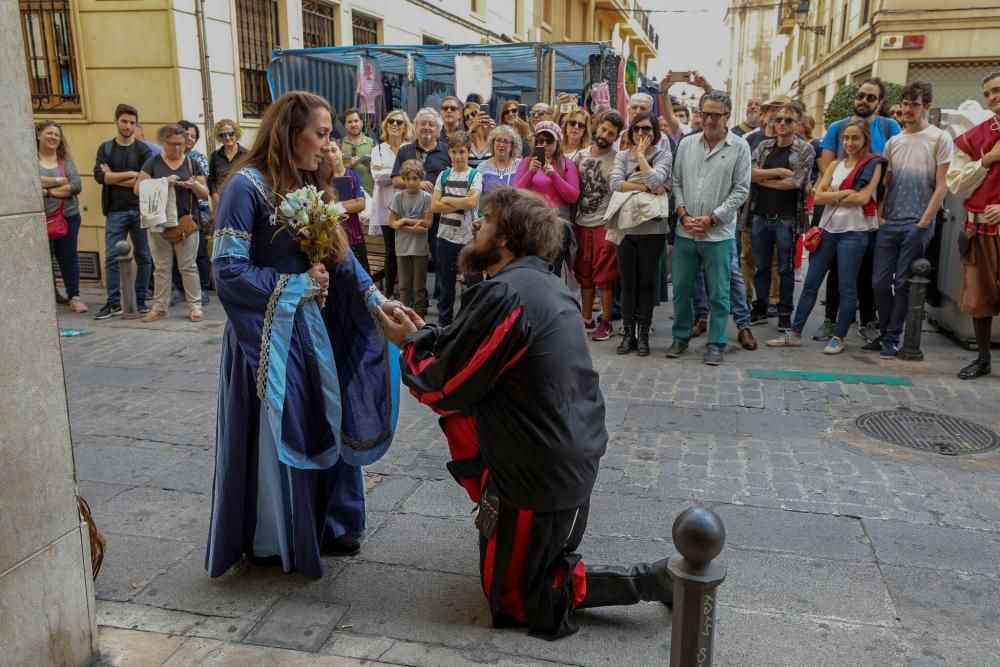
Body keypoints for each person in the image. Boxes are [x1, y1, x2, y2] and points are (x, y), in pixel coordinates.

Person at [379, 187, 673, 640]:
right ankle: (543, 553)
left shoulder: (507, 293)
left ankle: (651, 578)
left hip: (540, 478)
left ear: (507, 238)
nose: (477, 224)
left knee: (515, 602)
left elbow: (446, 388)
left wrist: (405, 346)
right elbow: (468, 344)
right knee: (514, 578)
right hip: (565, 461)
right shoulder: (544, 285)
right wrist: (426, 336)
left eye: (488, 219)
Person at [206, 91, 399, 578]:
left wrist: (377, 301)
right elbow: (227, 271)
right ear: (292, 134)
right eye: (322, 133)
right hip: (268, 339)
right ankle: (274, 536)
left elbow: (340, 253)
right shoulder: (244, 188)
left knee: (325, 421)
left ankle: (331, 522)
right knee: (283, 429)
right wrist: (294, 284)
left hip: (316, 335)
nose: (329, 144)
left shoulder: (312, 182)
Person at [767, 120, 884, 354]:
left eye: (855, 138)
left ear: (865, 140)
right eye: (846, 138)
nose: (850, 143)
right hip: (828, 231)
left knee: (847, 288)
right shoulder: (835, 165)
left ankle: (838, 337)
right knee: (811, 284)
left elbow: (862, 199)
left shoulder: (873, 164)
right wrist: (846, 193)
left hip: (855, 232)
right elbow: (817, 197)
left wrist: (834, 194)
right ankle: (795, 332)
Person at [867, 82, 952, 358]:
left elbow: (942, 186)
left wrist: (924, 223)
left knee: (903, 282)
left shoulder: (940, 138)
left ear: (926, 106)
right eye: (904, 103)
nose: (907, 109)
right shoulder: (894, 141)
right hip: (890, 221)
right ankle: (887, 332)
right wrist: (880, 214)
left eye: (914, 104)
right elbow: (886, 182)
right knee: (879, 282)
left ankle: (891, 337)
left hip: (917, 221)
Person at [667, 90, 751, 366]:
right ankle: (680, 337)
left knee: (719, 292)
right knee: (680, 289)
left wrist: (713, 218)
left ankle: (716, 343)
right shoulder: (687, 144)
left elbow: (741, 190)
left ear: (727, 116)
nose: (710, 120)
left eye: (717, 114)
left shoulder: (740, 147)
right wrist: (683, 214)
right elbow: (676, 182)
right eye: (705, 113)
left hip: (719, 234)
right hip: (686, 231)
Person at [814, 78, 901, 342]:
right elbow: (826, 167)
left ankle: (867, 320)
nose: (864, 101)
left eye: (871, 97)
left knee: (867, 266)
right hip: (836, 208)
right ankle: (830, 320)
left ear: (880, 102)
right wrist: (843, 194)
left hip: (871, 208)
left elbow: (892, 169)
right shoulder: (839, 127)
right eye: (861, 95)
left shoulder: (889, 126)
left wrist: (877, 202)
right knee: (832, 266)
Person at [945, 70, 1000, 379]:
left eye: (997, 90)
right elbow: (956, 183)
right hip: (977, 229)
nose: (992, 96)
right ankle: (982, 359)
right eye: (988, 93)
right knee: (979, 297)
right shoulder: (974, 137)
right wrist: (987, 160)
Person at [744, 103, 815, 331]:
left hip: (787, 218)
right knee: (761, 266)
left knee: (784, 269)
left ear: (797, 124)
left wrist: (763, 178)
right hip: (760, 215)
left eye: (788, 120)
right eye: (779, 120)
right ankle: (761, 307)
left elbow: (795, 183)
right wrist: (777, 172)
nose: (782, 124)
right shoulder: (764, 146)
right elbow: (749, 174)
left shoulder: (804, 150)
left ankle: (785, 313)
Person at [608, 112, 672, 356]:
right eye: (637, 129)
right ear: (631, 132)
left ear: (655, 132)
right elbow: (615, 183)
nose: (642, 134)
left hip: (653, 228)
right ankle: (627, 333)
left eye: (647, 129)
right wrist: (647, 187)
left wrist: (643, 157)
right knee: (627, 284)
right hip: (626, 226)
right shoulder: (622, 155)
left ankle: (643, 334)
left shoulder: (663, 154)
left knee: (646, 284)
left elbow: (658, 177)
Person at [134, 124, 207, 322]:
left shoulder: (192, 163)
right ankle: (159, 307)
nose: (177, 149)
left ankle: (195, 306)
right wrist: (164, 182)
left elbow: (205, 193)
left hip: (186, 223)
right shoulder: (153, 163)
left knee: (188, 266)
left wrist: (194, 185)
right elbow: (138, 188)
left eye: (181, 145)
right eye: (172, 144)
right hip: (158, 222)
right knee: (162, 267)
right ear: (163, 143)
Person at [93, 103, 153, 319]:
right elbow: (101, 177)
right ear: (116, 121)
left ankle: (140, 299)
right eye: (124, 121)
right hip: (115, 211)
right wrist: (130, 174)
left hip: (140, 210)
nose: (128, 126)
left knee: (144, 256)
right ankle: (113, 302)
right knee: (111, 257)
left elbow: (145, 180)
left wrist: (114, 177)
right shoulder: (106, 149)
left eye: (132, 123)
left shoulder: (143, 150)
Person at [574, 111, 623, 341]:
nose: (605, 135)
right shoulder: (580, 156)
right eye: (603, 129)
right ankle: (586, 318)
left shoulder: (618, 158)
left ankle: (606, 320)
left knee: (605, 274)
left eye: (611, 133)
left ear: (616, 136)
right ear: (597, 126)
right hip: (581, 222)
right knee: (583, 272)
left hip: (604, 224)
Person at [513, 120, 580, 278]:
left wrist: (554, 176)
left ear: (558, 142)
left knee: (552, 270)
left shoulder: (566, 164)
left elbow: (573, 196)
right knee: (530, 269)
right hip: (532, 222)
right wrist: (530, 172)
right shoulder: (527, 162)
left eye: (549, 141)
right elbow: (515, 192)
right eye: (540, 140)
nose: (544, 145)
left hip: (557, 223)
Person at [432, 130, 483, 326]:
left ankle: (471, 323)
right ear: (449, 153)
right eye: (454, 151)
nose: (458, 156)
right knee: (446, 286)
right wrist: (459, 202)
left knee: (473, 284)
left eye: (462, 151)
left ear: (468, 152)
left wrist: (446, 198)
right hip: (444, 238)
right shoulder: (443, 175)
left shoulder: (474, 175)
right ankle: (444, 325)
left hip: (468, 239)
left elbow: (471, 203)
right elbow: (434, 206)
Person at [38, 120, 87, 313]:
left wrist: (47, 191)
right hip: (40, 218)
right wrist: (59, 181)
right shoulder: (30, 159)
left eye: (57, 135)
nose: (53, 137)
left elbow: (76, 186)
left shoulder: (65, 160)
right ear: (39, 135)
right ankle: (50, 295)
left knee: (68, 257)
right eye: (49, 133)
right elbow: (31, 180)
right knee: (43, 260)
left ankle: (74, 296)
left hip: (67, 216)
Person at [371, 109, 414, 299]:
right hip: (385, 207)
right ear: (386, 126)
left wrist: (388, 171)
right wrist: (398, 174)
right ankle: (388, 292)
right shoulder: (377, 149)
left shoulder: (410, 149)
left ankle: (409, 291)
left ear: (405, 127)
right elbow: (378, 178)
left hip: (409, 207)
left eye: (399, 122)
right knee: (390, 252)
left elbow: (415, 175)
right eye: (391, 121)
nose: (395, 125)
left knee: (408, 252)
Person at [389, 159, 434, 316]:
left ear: (421, 178)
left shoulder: (427, 197)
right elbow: (392, 223)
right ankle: (405, 315)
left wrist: (405, 220)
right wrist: (414, 227)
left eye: (415, 178)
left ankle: (420, 316)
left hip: (420, 249)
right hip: (402, 248)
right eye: (408, 179)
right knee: (404, 285)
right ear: (404, 179)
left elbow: (428, 223)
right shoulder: (398, 197)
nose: (412, 182)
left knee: (420, 285)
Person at [176, 120, 212, 305]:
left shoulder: (197, 159)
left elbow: (203, 186)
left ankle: (203, 288)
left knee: (199, 252)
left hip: (199, 210)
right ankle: (181, 290)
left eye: (192, 135)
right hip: (176, 211)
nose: (188, 138)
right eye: (185, 134)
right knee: (177, 254)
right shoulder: (168, 158)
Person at [329, 141, 369, 273]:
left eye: (334, 150)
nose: (331, 154)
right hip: (334, 239)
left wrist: (335, 206)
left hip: (355, 236)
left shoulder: (353, 176)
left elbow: (361, 204)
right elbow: (324, 208)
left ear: (342, 152)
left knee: (364, 277)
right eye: (327, 152)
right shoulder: (323, 180)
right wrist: (351, 202)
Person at [208, 119, 248, 205]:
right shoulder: (215, 156)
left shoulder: (246, 155)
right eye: (223, 135)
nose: (227, 137)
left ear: (236, 134)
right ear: (219, 138)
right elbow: (211, 180)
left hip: (242, 199)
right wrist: (215, 196)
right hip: (221, 200)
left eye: (230, 133)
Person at [476, 125, 522, 197]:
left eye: (506, 142)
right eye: (498, 140)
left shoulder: (520, 165)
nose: (501, 144)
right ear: (493, 142)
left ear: (512, 146)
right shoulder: (483, 167)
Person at [341, 107, 376, 194]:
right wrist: (348, 165)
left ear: (362, 123)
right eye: (349, 122)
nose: (353, 124)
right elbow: (332, 171)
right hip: (347, 195)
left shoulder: (373, 143)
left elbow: (381, 171)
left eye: (356, 121)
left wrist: (370, 165)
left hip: (370, 194)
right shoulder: (338, 144)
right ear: (345, 125)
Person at [462, 101, 494, 169]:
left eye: (473, 114)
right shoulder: (465, 139)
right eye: (466, 117)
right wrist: (471, 130)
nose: (470, 118)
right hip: (470, 179)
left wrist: (493, 132)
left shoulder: (492, 136)